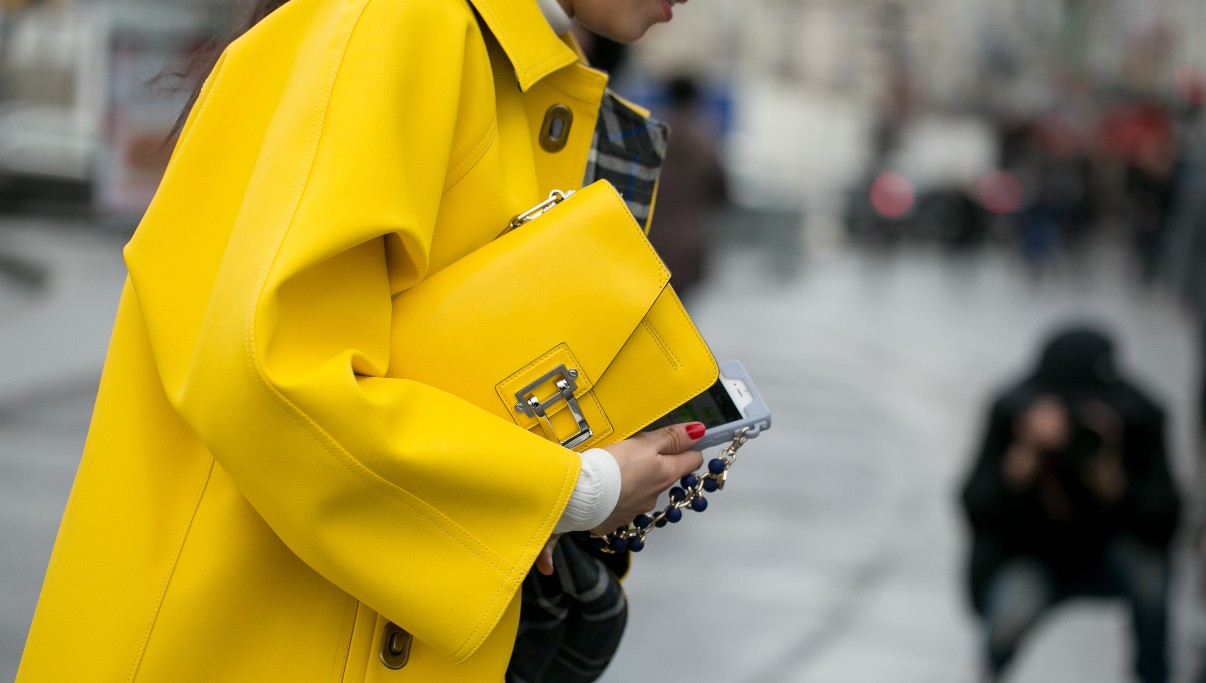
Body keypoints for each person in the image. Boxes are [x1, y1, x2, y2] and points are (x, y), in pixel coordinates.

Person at [16, 0, 708, 680]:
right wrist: (579, 490)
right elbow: (271, 372)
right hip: (245, 634)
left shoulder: (503, 65)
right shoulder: (402, 22)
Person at [960, 325, 1181, 683]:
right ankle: (990, 671)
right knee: (1010, 616)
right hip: (1031, 556)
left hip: (1108, 555)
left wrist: (1113, 481)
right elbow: (975, 511)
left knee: (1150, 574)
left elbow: (1168, 521)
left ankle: (1153, 674)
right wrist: (1021, 464)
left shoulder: (1137, 426)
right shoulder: (1014, 421)